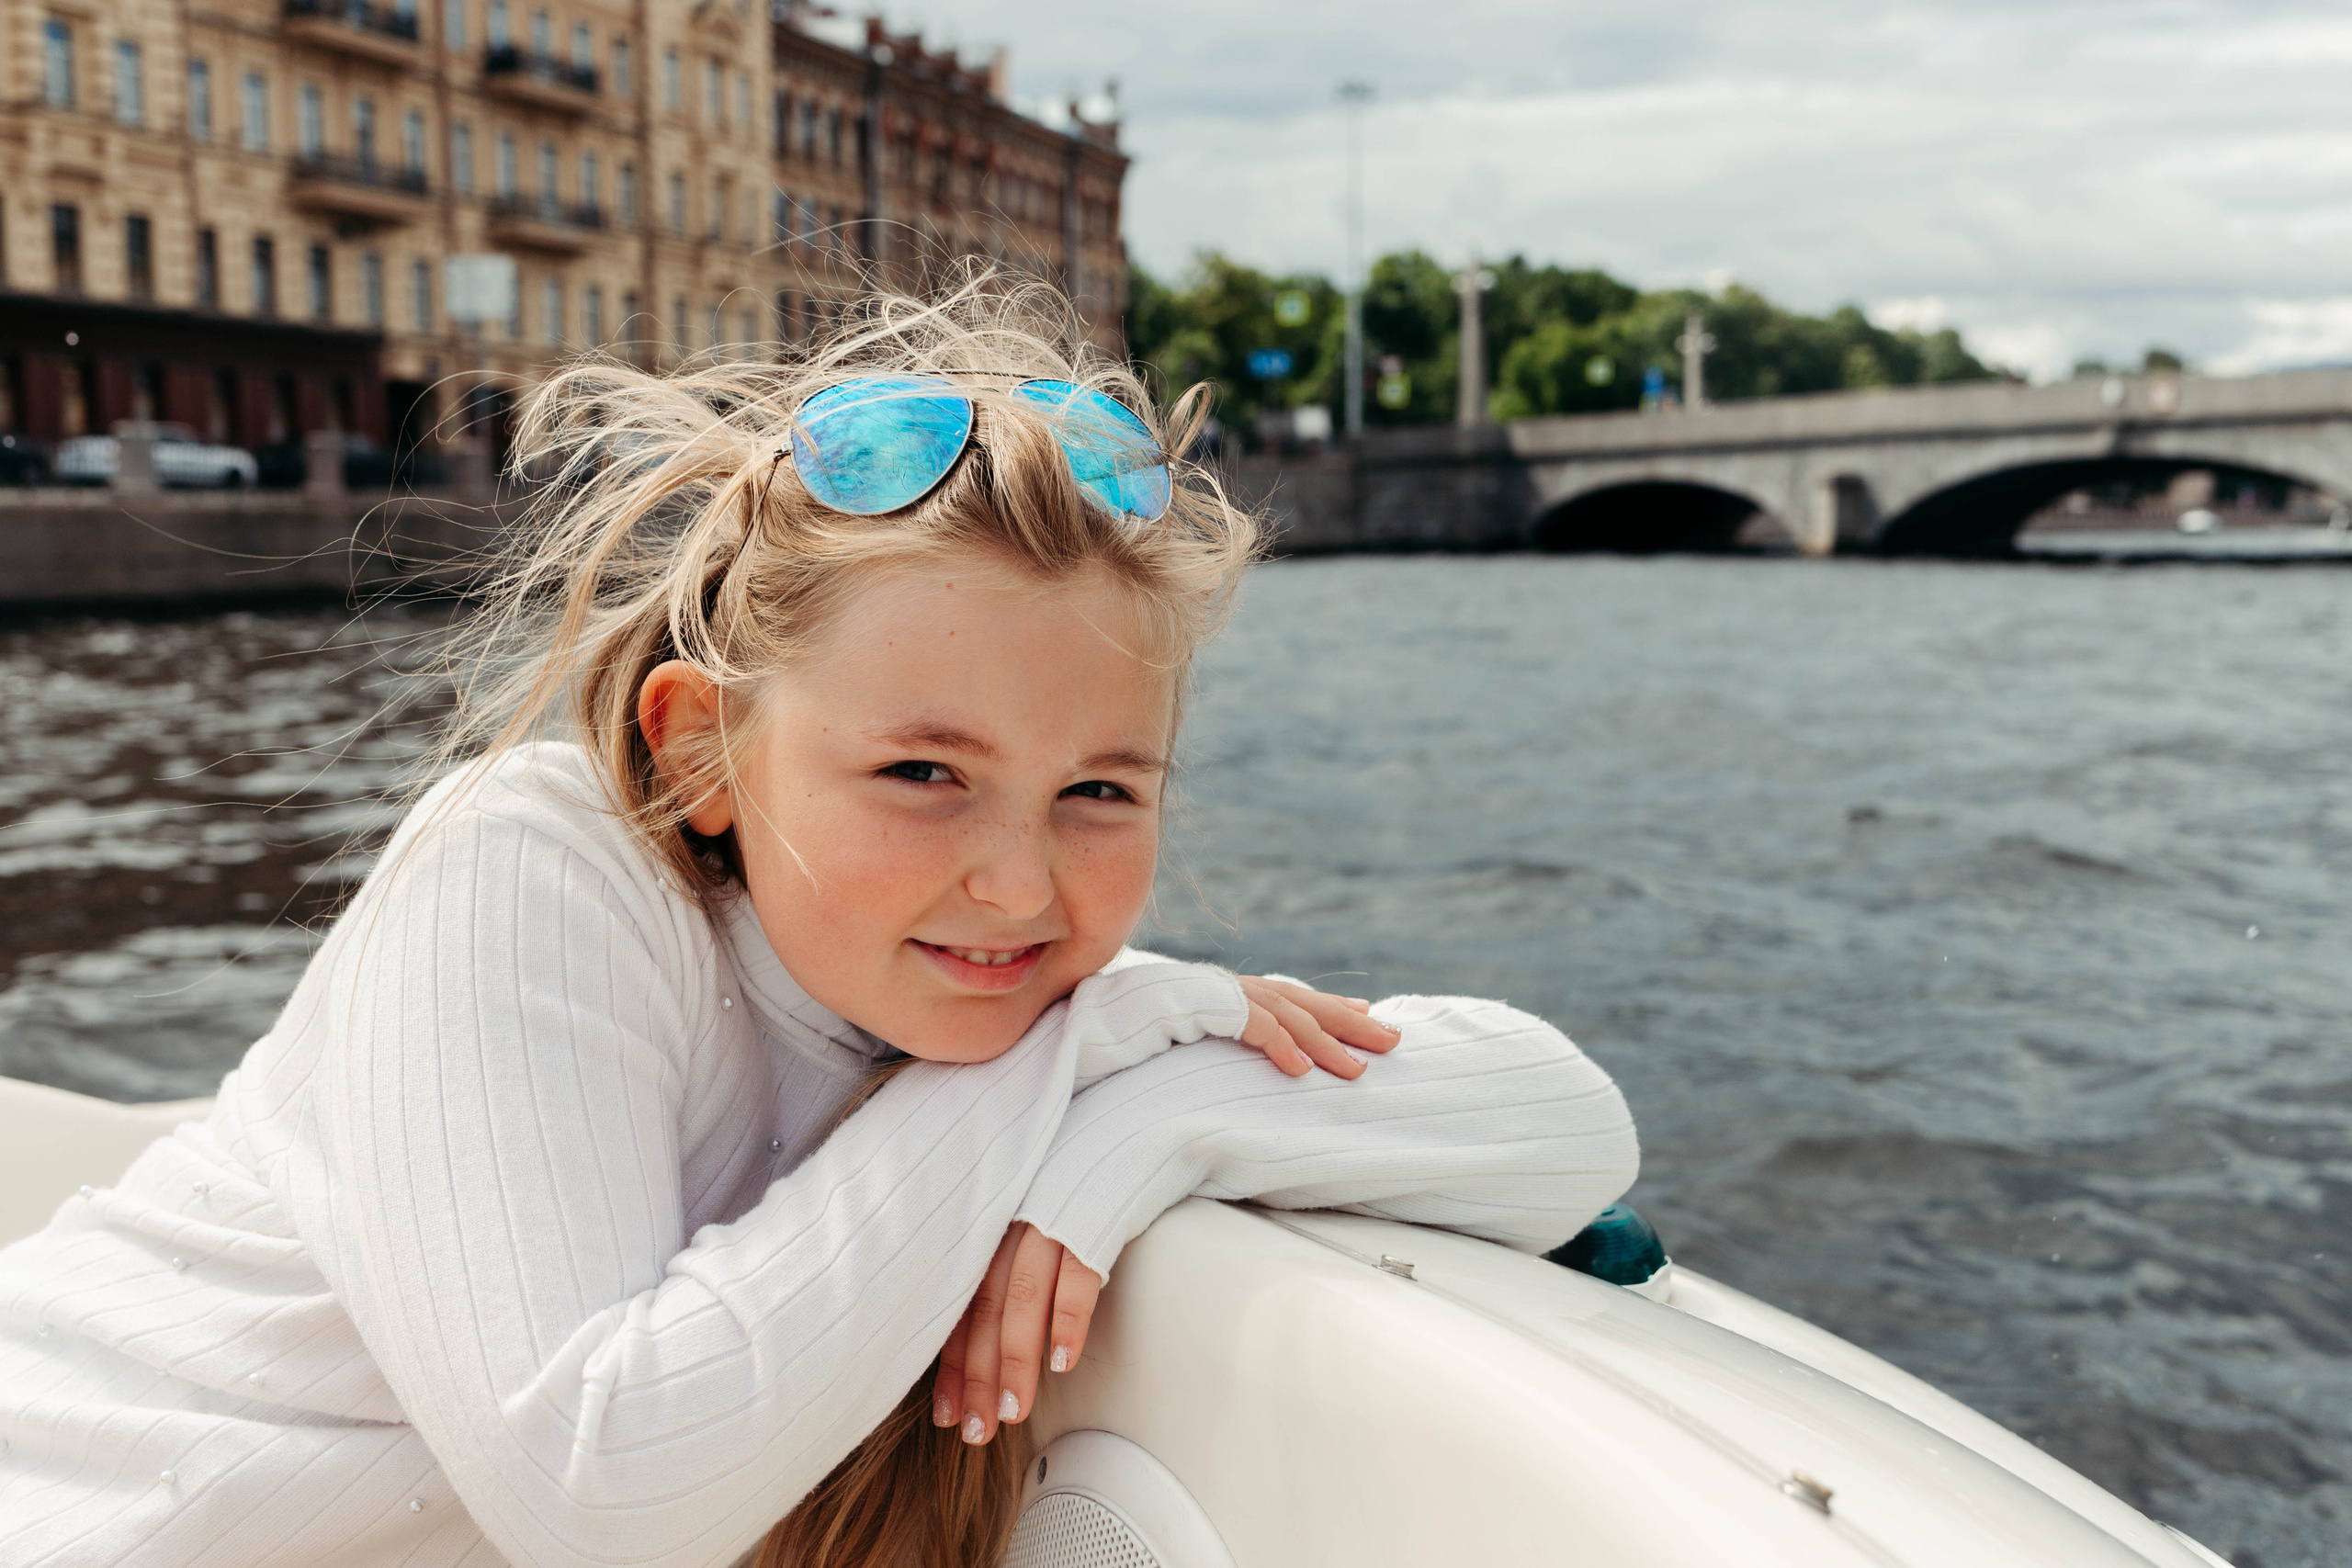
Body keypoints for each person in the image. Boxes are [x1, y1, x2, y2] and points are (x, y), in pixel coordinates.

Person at [0, 278, 1640, 1568]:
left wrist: (1150, 1111)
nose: (1018, 880)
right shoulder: (532, 867)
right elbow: (604, 1497)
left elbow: (1566, 1127)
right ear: (698, 747)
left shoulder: (1008, 982)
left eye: (1102, 793)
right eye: (923, 771)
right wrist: (1069, 1059)